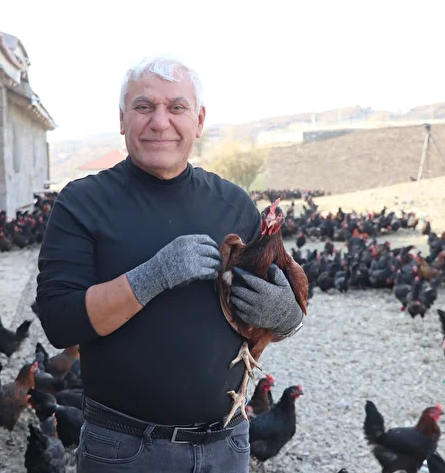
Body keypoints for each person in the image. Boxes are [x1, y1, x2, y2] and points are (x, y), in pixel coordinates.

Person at [35, 57, 305, 473]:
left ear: (199, 121)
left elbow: (272, 308)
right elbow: (59, 323)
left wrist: (286, 318)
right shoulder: (81, 203)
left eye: (177, 107)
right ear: (122, 119)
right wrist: (152, 277)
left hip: (227, 446)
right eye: (143, 107)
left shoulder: (234, 204)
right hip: (124, 449)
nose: (160, 122)